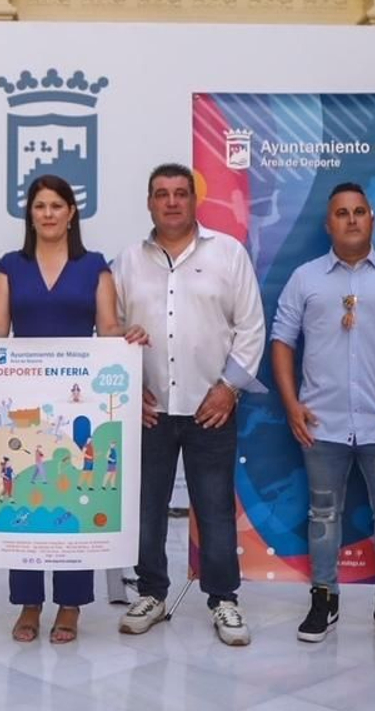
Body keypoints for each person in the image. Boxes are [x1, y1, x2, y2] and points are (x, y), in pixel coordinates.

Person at [0, 174, 132, 644]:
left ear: (71, 212)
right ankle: (28, 603)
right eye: (39, 206)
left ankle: (70, 606)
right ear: (31, 214)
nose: (47, 214)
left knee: (71, 501)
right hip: (25, 398)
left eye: (56, 206)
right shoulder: (10, 266)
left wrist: (130, 338)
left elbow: (108, 327)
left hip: (77, 398)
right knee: (24, 498)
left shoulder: (95, 266)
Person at [111, 163, 265, 646]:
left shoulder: (228, 253)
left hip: (210, 406)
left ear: (194, 200)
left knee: (215, 508)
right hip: (149, 408)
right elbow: (110, 327)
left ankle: (224, 600)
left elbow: (251, 326)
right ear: (150, 202)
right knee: (146, 507)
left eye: (181, 193)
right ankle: (152, 593)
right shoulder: (128, 261)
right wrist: (128, 389)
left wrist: (230, 388)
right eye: (162, 194)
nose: (172, 202)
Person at [271, 182, 375, 647]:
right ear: (328, 224)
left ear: (372, 220)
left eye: (359, 211)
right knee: (322, 514)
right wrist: (292, 403)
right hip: (323, 423)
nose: (352, 219)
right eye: (342, 213)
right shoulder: (305, 278)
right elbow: (282, 342)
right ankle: (324, 598)